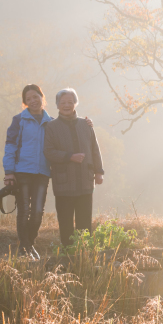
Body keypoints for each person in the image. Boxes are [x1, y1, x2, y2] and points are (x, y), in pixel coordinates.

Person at [44, 87, 105, 246]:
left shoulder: (86, 124)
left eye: (70, 102)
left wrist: (99, 172)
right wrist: (69, 157)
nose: (66, 105)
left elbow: (95, 149)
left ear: (75, 104)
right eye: (63, 102)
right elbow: (48, 152)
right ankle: (68, 256)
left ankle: (85, 256)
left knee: (85, 224)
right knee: (65, 224)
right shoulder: (51, 127)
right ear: (57, 105)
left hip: (86, 181)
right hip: (63, 183)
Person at [2, 84, 51, 260]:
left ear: (42, 97)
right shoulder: (18, 120)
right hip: (22, 171)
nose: (33, 101)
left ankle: (28, 244)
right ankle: (25, 249)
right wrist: (9, 172)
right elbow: (10, 146)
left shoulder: (51, 122)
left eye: (35, 97)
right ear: (25, 103)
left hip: (42, 172)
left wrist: (87, 123)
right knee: (24, 210)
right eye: (28, 99)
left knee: (38, 211)